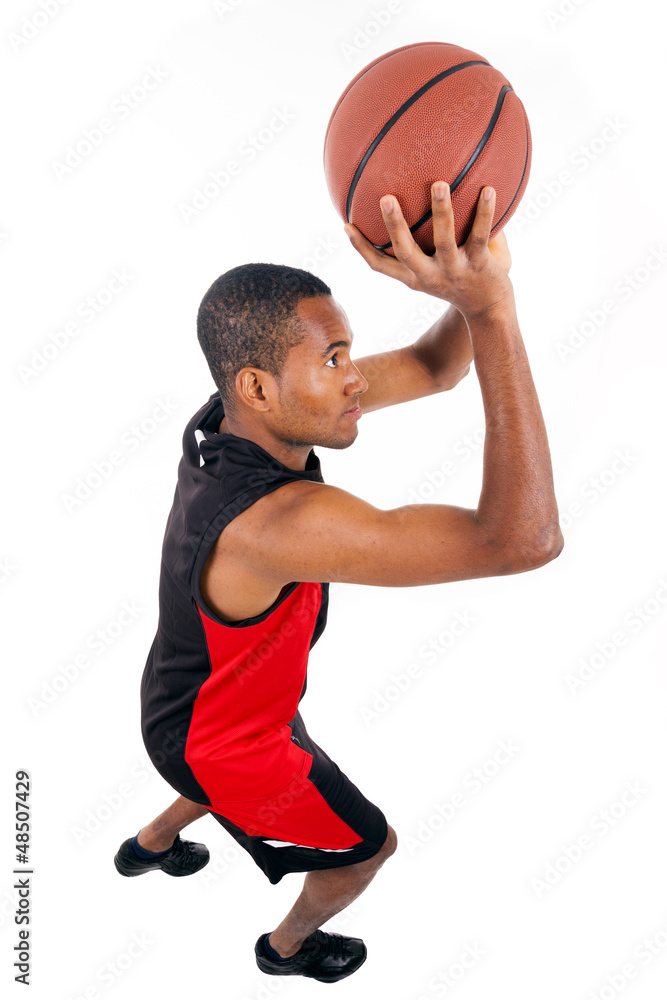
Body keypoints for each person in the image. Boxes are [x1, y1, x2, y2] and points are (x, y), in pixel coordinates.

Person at [114, 182, 563, 983]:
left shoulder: (230, 419)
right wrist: (493, 315)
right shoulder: (277, 526)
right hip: (226, 741)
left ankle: (148, 846)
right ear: (256, 385)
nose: (354, 377)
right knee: (367, 847)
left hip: (183, 701)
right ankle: (284, 949)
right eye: (331, 360)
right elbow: (520, 540)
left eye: (348, 350)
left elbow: (431, 367)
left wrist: (480, 279)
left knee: (220, 757)